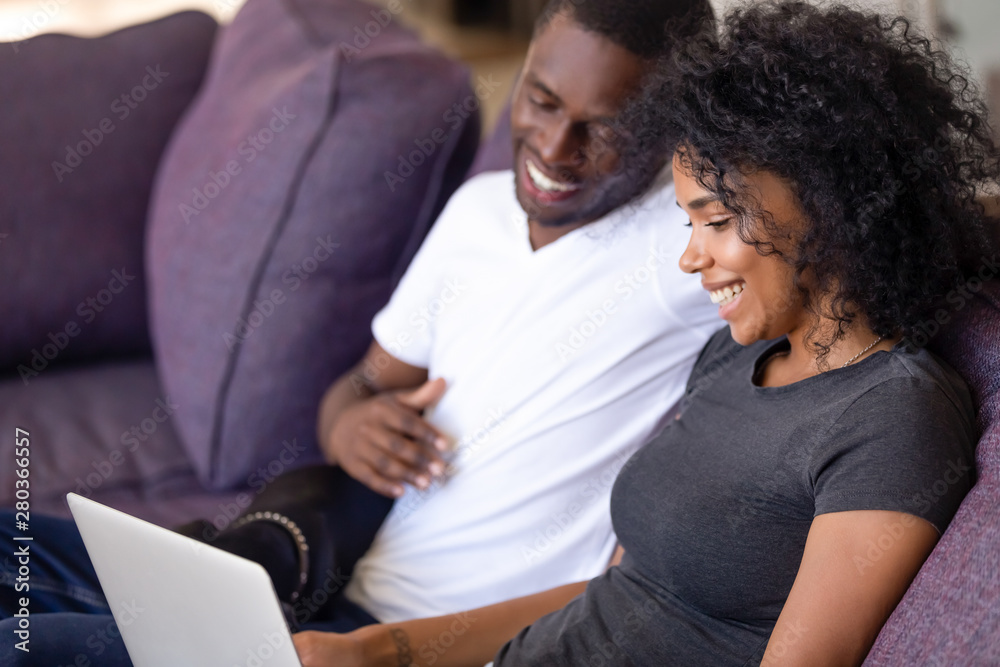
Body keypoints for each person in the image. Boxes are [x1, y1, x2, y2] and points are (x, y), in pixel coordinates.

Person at [0, 0, 722, 664]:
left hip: (413, 646)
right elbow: (361, 386)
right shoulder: (477, 214)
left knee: (24, 648)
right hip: (315, 593)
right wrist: (352, 425)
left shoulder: (686, 244)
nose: (557, 147)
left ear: (675, 128)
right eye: (541, 99)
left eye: (607, 127)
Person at [290, 2, 997, 665]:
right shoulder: (735, 355)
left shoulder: (892, 417)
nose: (689, 257)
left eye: (716, 221)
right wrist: (379, 651)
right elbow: (614, 595)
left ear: (831, 206)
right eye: (688, 223)